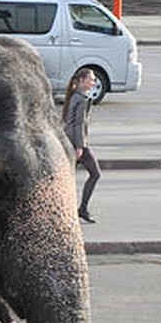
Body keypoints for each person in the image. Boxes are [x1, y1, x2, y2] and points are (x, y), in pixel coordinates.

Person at [63, 68, 101, 223]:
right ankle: (82, 209)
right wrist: (80, 146)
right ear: (82, 80)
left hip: (70, 139)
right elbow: (78, 123)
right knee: (95, 173)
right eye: (91, 79)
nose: (93, 82)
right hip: (76, 142)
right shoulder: (81, 98)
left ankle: (69, 210)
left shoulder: (75, 96)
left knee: (68, 177)